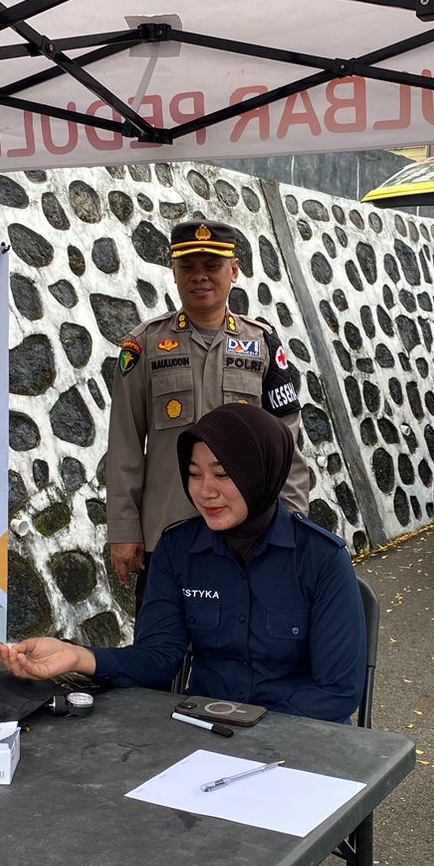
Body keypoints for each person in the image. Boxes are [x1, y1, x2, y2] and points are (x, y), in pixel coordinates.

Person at [0, 404, 365, 866]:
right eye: (194, 473)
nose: (206, 490)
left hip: (297, 749)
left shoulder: (320, 559)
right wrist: (77, 657)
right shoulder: (178, 550)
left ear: (261, 473)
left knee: (207, 854)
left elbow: (338, 692)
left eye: (222, 473)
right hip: (200, 740)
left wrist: (246, 726)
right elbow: (158, 658)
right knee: (101, 799)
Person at [106, 219, 310, 606]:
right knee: (162, 638)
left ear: (234, 270)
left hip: (248, 536)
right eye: (188, 266)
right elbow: (124, 444)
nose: (199, 276)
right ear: (174, 272)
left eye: (212, 266)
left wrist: (294, 520)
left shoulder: (263, 344)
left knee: (246, 635)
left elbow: (287, 445)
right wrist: (123, 529)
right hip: (167, 534)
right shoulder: (144, 345)